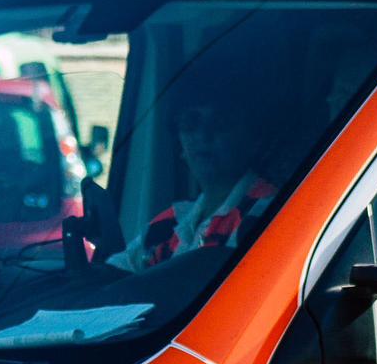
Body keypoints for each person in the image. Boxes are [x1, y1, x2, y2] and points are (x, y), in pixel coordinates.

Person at [106, 82, 276, 272]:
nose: (203, 135)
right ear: (180, 145)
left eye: (221, 123)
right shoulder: (170, 223)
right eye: (190, 124)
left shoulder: (265, 212)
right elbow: (115, 273)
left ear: (253, 139)